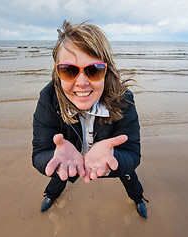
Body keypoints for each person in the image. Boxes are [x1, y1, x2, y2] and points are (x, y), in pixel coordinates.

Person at [32, 20, 148, 219]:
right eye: (69, 70)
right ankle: (51, 195)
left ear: (106, 72)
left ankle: (138, 198)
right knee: (61, 173)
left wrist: (113, 160)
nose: (82, 83)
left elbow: (131, 154)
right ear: (57, 73)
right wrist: (55, 160)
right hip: (70, 160)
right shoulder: (49, 99)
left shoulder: (124, 100)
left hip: (107, 159)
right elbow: (41, 152)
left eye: (94, 70)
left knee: (129, 177)